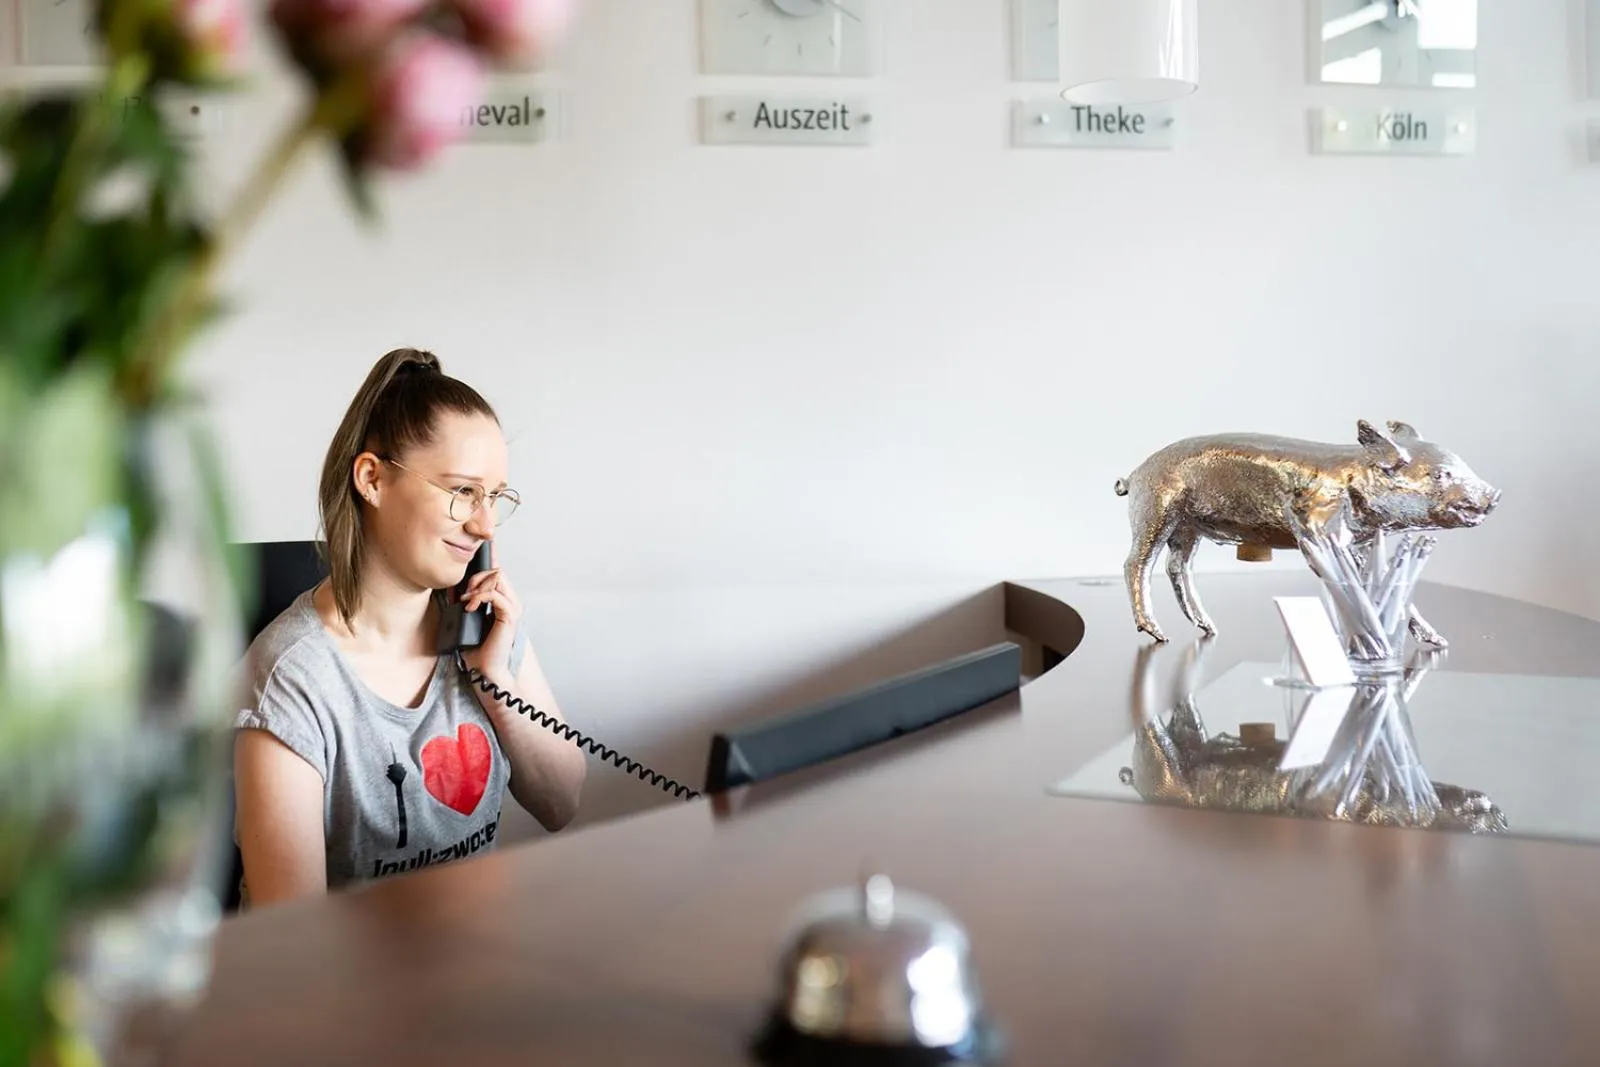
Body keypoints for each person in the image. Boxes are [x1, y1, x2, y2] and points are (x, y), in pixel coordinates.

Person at [232, 347, 587, 907]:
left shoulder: (483, 628)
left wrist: (495, 679)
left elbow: (561, 803)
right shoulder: (293, 678)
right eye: (462, 491)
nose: (484, 523)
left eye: (494, 497)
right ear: (372, 479)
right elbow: (292, 940)